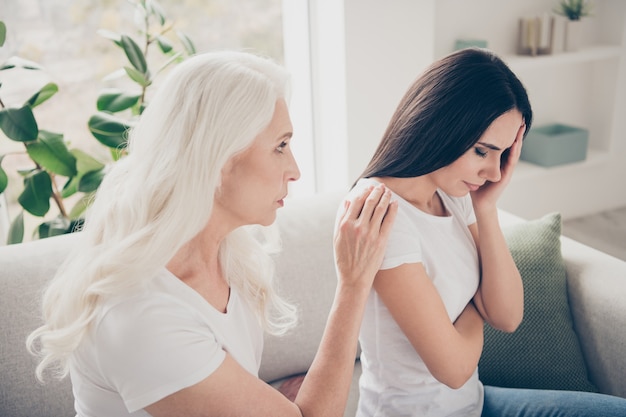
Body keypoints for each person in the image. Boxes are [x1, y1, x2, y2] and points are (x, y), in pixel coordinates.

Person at [26, 50, 398, 417]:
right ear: (219, 159)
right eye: (280, 146)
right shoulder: (144, 315)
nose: (295, 169)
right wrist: (353, 283)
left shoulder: (223, 250)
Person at [344, 47, 626, 417]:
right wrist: (479, 305)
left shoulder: (452, 190)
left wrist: (486, 208)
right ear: (442, 124)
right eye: (482, 151)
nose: (494, 172)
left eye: (502, 154)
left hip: (475, 403)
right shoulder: (378, 213)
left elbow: (507, 315)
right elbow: (455, 368)